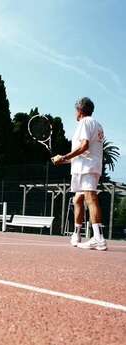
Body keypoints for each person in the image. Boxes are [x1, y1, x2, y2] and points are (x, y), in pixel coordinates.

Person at [52, 97, 106, 250]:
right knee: (77, 199)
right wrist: (64, 160)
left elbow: (84, 146)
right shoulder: (96, 124)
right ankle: (76, 234)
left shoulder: (85, 122)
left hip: (87, 168)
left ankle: (98, 238)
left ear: (80, 110)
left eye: (75, 110)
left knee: (90, 197)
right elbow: (84, 152)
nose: (75, 113)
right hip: (84, 167)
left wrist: (63, 157)